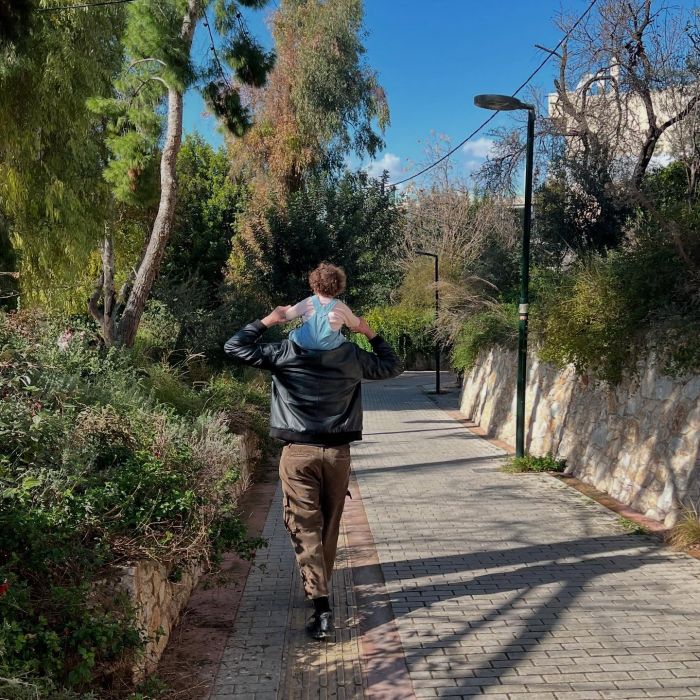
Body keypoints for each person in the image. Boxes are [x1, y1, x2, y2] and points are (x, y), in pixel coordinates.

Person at [224, 304, 401, 640]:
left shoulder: (283, 352)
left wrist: (270, 320)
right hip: (337, 453)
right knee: (329, 527)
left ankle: (321, 606)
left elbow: (234, 347)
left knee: (305, 527)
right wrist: (366, 330)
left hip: (298, 452)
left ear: (303, 321)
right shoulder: (351, 355)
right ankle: (320, 592)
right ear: (339, 325)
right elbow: (392, 365)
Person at [285, 262, 361, 350]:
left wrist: (288, 309)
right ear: (339, 286)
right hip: (330, 346)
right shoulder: (341, 307)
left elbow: (288, 315)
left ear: (315, 283)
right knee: (342, 340)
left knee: (293, 334)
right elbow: (355, 323)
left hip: (304, 343)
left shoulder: (308, 302)